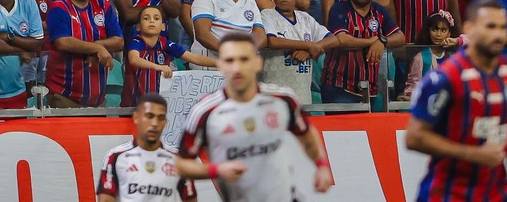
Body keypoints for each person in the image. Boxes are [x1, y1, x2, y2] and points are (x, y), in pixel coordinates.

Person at [177, 33, 336, 199]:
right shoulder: (205, 111)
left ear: (258, 63)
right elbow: (181, 165)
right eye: (230, 61)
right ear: (221, 65)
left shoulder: (283, 100)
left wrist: (321, 165)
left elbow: (306, 134)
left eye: (244, 59)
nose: (237, 68)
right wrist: (215, 170)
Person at [406, 0, 507, 202]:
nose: (498, 34)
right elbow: (414, 138)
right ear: (469, 29)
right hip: (449, 193)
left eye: (503, 27)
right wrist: (474, 154)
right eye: (490, 26)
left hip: (496, 191)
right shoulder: (445, 77)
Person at [98, 94, 246, 202]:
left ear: (165, 122)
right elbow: (105, 199)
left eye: (160, 118)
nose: (155, 123)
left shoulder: (178, 160)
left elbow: (190, 199)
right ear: (136, 117)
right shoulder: (116, 156)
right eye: (149, 116)